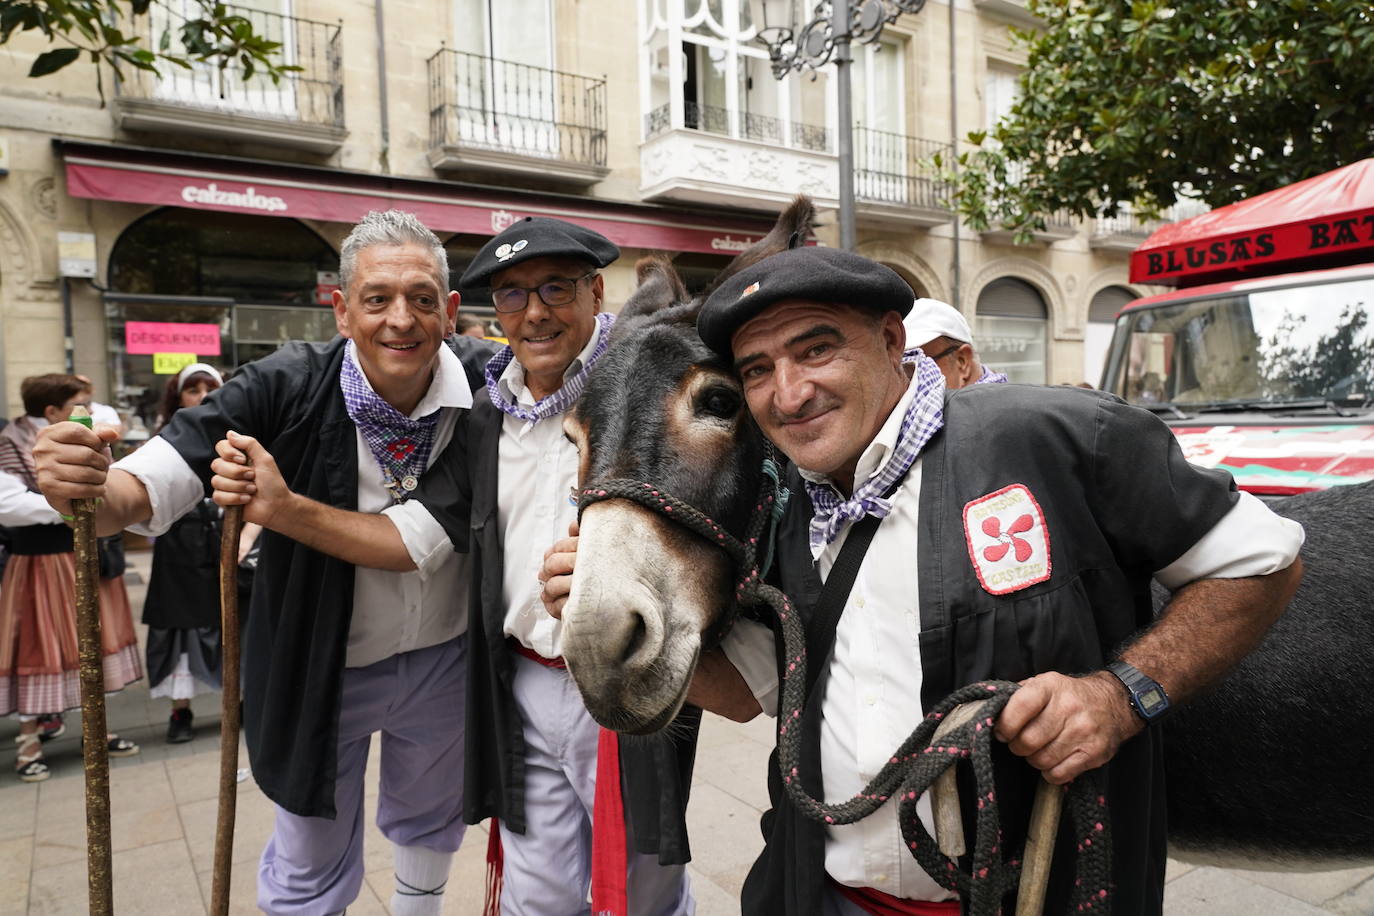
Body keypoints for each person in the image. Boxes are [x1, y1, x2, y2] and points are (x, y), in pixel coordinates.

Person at [544, 246, 1305, 915]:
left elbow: (1260, 562)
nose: (790, 391)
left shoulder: (1052, 436)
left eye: (816, 351)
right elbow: (752, 692)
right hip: (820, 891)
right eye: (756, 371)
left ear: (890, 340)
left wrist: (1122, 693)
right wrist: (629, 622)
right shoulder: (784, 502)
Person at [212, 216, 708, 916]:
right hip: (523, 688)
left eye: (556, 289)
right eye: (512, 296)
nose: (534, 312)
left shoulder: (648, 392)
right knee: (536, 895)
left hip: (623, 687)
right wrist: (283, 509)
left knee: (641, 891)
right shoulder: (485, 414)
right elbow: (413, 538)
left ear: (597, 292)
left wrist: (626, 570)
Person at [33, 210, 474, 916]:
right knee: (310, 847)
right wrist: (82, 482)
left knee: (431, 819)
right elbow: (142, 487)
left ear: (450, 312)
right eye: (378, 298)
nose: (402, 320)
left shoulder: (488, 386)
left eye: (422, 298)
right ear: (341, 310)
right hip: (318, 662)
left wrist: (284, 506)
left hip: (445, 658)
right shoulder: (285, 385)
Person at [0, 373, 143, 782]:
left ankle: (96, 731)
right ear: (51, 411)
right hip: (38, 564)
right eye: (79, 402)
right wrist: (69, 506)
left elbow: (109, 484)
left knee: (91, 643)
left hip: (80, 555)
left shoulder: (84, 436)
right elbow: (8, 504)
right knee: (37, 646)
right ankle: (29, 740)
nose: (90, 410)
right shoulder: (10, 444)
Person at [142, 363, 261, 743]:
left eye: (209, 388)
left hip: (227, 548)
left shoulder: (240, 438)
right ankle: (182, 711)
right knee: (184, 634)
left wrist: (245, 537)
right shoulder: (163, 440)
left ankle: (240, 702)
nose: (201, 396)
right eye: (192, 390)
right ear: (178, 397)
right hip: (179, 554)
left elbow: (263, 495)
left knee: (236, 628)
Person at [901, 297, 1006, 388]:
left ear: (962, 361)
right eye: (900, 366)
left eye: (921, 364)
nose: (906, 379)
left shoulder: (1004, 409)